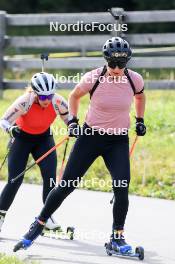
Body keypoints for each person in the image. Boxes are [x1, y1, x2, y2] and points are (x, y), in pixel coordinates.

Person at [14, 37, 146, 253]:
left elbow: (140, 97)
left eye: (121, 64)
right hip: (90, 137)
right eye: (111, 63)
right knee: (67, 185)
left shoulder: (134, 80)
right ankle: (37, 225)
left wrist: (140, 120)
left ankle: (117, 237)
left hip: (118, 140)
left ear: (127, 62)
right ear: (105, 60)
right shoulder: (94, 77)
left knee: (121, 188)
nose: (115, 68)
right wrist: (73, 121)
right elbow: (75, 96)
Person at [0, 72, 69, 233]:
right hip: (21, 139)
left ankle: (47, 217)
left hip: (44, 139)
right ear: (35, 93)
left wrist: (73, 127)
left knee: (50, 178)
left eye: (49, 96)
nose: (46, 100)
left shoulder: (57, 101)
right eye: (43, 97)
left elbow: (69, 119)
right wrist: (11, 129)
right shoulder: (25, 102)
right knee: (14, 180)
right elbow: (3, 121)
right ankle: (1, 215)